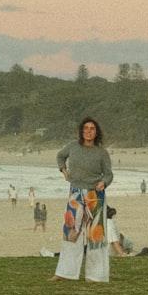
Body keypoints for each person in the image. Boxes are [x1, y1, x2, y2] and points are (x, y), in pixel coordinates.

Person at [54, 116, 113, 282]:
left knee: (96, 235)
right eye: (86, 128)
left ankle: (97, 276)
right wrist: (64, 171)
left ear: (96, 132)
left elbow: (108, 174)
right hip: (75, 194)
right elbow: (60, 156)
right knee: (71, 232)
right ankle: (65, 273)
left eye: (92, 128)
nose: (88, 131)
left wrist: (104, 182)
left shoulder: (102, 152)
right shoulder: (73, 147)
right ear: (81, 131)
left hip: (95, 195)